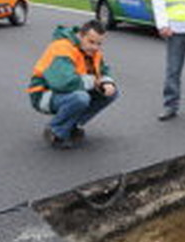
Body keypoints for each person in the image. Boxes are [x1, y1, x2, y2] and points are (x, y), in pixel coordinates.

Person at [27, 20, 118, 149]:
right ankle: (55, 130)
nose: (95, 47)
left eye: (99, 43)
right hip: (44, 94)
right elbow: (64, 83)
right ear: (80, 35)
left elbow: (103, 71)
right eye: (91, 42)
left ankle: (72, 125)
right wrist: (95, 82)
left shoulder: (94, 52)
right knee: (80, 98)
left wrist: (107, 82)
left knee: (110, 93)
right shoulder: (62, 47)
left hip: (70, 91)